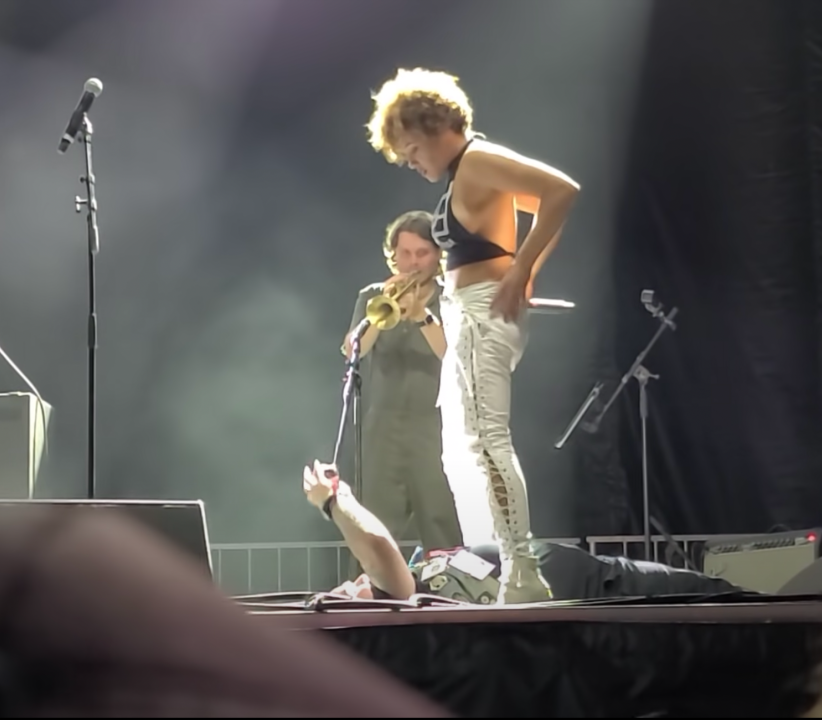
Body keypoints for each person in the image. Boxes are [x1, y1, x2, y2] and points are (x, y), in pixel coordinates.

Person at [365, 68, 580, 603]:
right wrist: (521, 266)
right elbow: (536, 210)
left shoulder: (480, 161)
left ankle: (523, 573)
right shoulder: (466, 174)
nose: (412, 163)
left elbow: (559, 192)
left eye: (412, 149)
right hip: (467, 310)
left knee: (485, 442)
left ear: (436, 127)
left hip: (484, 311)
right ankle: (492, 568)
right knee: (462, 451)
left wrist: (521, 271)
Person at [302, 461, 738, 604]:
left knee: (725, 596)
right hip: (598, 592)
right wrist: (334, 500)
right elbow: (377, 551)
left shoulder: (421, 576)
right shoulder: (395, 600)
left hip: (602, 572)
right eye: (344, 592)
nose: (349, 581)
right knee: (728, 612)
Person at [340, 210, 462, 554]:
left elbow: (453, 355)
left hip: (435, 430)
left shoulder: (450, 298)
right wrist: (382, 311)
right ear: (392, 256)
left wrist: (422, 315)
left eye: (422, 253)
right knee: (374, 529)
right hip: (382, 429)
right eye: (405, 254)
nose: (412, 263)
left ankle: (454, 600)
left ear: (437, 256)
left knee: (442, 525)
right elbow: (353, 349)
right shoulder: (373, 295)